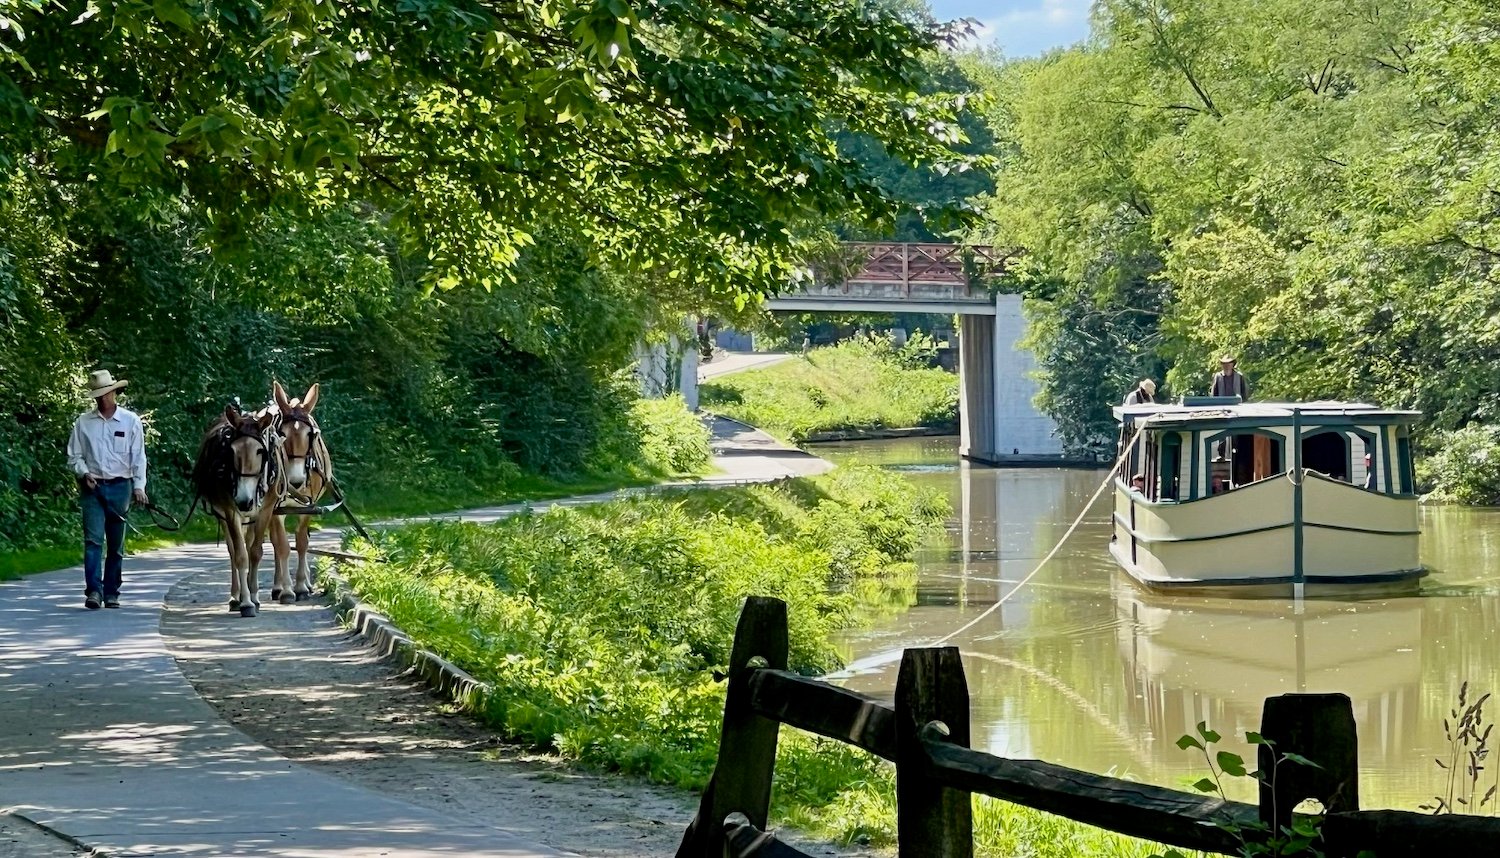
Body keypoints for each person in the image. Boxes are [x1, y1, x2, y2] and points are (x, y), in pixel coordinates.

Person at [66, 370, 148, 610]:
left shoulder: (130, 421)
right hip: (93, 488)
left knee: (116, 544)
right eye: (98, 396)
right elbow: (74, 456)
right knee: (92, 541)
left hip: (121, 485)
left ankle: (112, 591)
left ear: (114, 392)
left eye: (105, 394)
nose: (102, 399)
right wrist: (84, 473)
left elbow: (138, 457)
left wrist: (139, 486)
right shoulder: (83, 423)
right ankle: (94, 590)